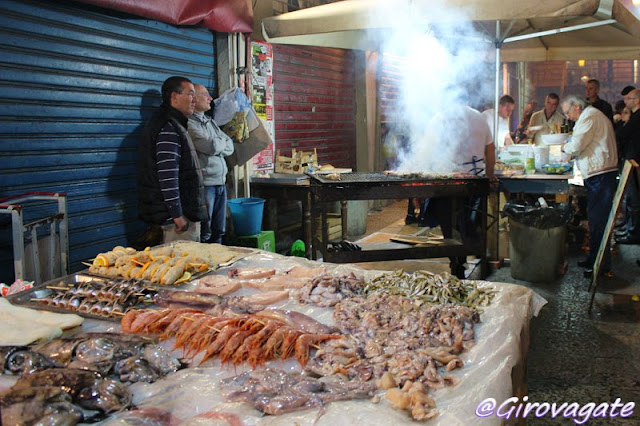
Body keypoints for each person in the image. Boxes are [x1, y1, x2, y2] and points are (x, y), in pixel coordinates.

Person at [137, 76, 207, 243]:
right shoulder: (168, 127)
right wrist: (177, 215)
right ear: (174, 97)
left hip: (174, 216)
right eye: (190, 94)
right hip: (175, 223)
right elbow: (168, 176)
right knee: (186, 265)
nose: (194, 100)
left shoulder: (173, 123)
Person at [430, 105, 497, 278]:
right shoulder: (479, 117)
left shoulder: (440, 117)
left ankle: (458, 263)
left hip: (449, 183)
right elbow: (490, 150)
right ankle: (480, 256)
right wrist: (489, 176)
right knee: (473, 222)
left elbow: (431, 152)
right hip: (476, 181)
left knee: (451, 225)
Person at [560, 95, 618, 277]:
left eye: (568, 112)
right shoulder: (590, 115)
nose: (568, 117)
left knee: (598, 221)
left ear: (576, 106)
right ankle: (594, 258)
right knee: (595, 220)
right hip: (599, 173)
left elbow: (577, 144)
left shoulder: (590, 116)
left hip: (601, 174)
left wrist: (564, 148)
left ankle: (600, 266)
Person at [188, 84, 235, 244]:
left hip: (221, 183)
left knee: (219, 230)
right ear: (194, 98)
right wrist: (219, 144)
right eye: (206, 94)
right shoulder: (189, 124)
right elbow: (212, 146)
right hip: (206, 185)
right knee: (205, 232)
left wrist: (217, 144)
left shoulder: (210, 122)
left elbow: (230, 146)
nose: (210, 98)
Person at [614, 89, 640, 244]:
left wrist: (619, 123)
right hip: (631, 160)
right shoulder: (634, 117)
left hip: (634, 162)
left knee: (633, 200)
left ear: (636, 100)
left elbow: (623, 135)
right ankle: (630, 228)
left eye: (628, 99)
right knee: (630, 199)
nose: (625, 102)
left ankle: (634, 232)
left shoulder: (637, 117)